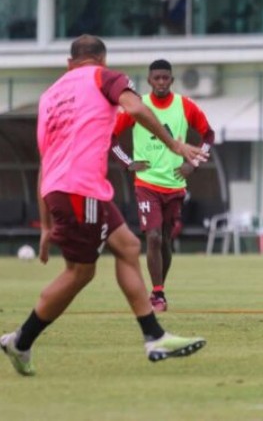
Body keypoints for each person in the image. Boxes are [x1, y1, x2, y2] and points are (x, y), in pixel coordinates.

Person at [0, 35, 207, 376]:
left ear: (70, 63)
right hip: (81, 190)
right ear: (102, 60)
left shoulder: (49, 96)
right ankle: (20, 340)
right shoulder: (104, 77)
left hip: (64, 189)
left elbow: (45, 160)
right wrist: (176, 146)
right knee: (80, 272)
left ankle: (154, 336)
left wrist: (47, 224)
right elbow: (138, 108)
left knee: (128, 245)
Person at [111, 59, 214, 312]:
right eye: (156, 78)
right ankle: (157, 295)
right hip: (146, 183)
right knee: (153, 237)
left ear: (171, 80)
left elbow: (208, 135)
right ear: (149, 81)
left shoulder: (185, 106)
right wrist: (127, 163)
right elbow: (110, 137)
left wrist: (193, 163)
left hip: (175, 185)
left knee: (165, 239)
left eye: (165, 78)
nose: (160, 83)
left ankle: (159, 290)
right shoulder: (138, 105)